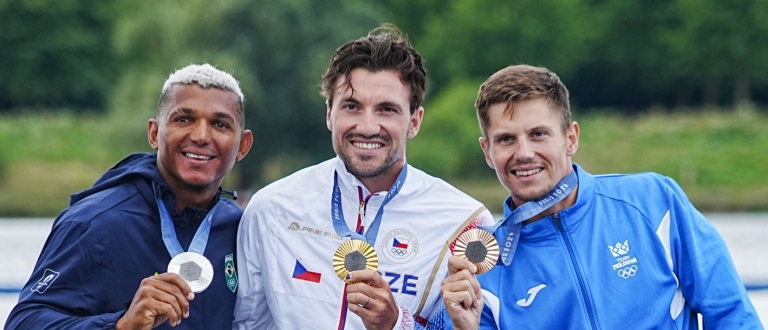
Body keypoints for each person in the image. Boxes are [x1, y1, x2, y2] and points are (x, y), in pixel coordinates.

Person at [440, 64, 762, 329]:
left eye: (538, 134)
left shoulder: (653, 202)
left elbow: (734, 316)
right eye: (507, 139)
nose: (524, 153)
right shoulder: (481, 271)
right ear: (487, 151)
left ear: (571, 138)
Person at [233, 24, 495, 330]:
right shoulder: (270, 208)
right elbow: (246, 325)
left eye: (386, 109)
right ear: (329, 113)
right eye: (352, 107)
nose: (368, 126)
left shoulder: (466, 224)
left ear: (414, 121)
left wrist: (395, 325)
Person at [5, 64, 254, 330]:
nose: (201, 136)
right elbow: (23, 324)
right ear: (154, 133)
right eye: (184, 119)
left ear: (242, 145)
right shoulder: (93, 223)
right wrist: (120, 325)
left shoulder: (243, 229)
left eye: (220, 124)